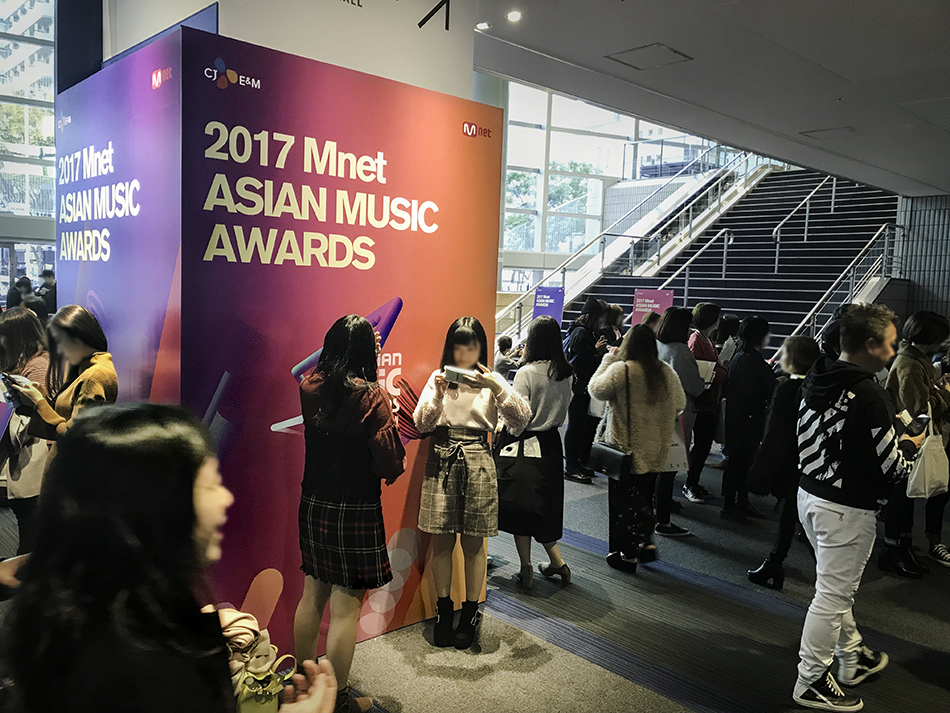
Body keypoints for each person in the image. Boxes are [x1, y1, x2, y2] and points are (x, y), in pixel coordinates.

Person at [0, 403, 338, 713]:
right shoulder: (162, 671)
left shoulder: (64, 621)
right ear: (156, 510)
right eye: (207, 487)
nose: (223, 499)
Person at [793, 303, 923, 712]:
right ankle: (810, 680)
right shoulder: (869, 395)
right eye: (889, 343)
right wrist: (911, 445)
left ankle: (852, 656)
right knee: (832, 597)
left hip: (810, 493)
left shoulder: (819, 374)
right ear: (870, 344)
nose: (893, 350)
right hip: (846, 509)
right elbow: (893, 469)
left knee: (832, 588)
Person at [293, 315, 406, 713]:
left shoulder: (310, 387)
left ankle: (304, 688)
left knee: (311, 596)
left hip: (314, 503)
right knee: (345, 609)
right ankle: (337, 700)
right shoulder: (372, 398)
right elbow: (390, 462)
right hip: (356, 507)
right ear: (363, 352)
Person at [413, 317, 530, 650]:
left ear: (480, 348)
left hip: (478, 458)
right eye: (458, 347)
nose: (464, 354)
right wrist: (437, 392)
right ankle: (443, 610)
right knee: (442, 540)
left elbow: (521, 421)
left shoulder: (492, 380)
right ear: (450, 349)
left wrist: (497, 387)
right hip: (442, 457)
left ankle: (469, 613)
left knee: (474, 544)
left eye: (471, 347)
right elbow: (421, 424)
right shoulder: (438, 379)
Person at [590, 325, 687, 572]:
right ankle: (646, 543)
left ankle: (628, 555)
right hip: (655, 449)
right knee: (645, 499)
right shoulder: (665, 371)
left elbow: (596, 390)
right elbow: (680, 404)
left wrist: (608, 359)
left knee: (623, 504)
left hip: (627, 449)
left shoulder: (622, 370)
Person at [497, 315, 574, 589]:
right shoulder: (566, 372)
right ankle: (558, 563)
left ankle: (526, 568)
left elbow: (518, 419)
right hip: (552, 444)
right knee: (545, 507)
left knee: (522, 508)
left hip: (525, 445)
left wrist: (503, 430)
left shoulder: (526, 373)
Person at [747, 336, 821, 589]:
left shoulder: (788, 390)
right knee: (795, 517)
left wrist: (761, 474)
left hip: (790, 462)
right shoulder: (821, 387)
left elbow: (775, 436)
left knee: (792, 516)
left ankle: (776, 563)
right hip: (813, 462)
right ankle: (774, 562)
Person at [879, 311, 950, 575]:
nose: (946, 343)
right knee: (901, 498)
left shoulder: (916, 361)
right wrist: (946, 394)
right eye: (942, 338)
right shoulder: (910, 364)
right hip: (908, 440)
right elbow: (918, 410)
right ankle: (893, 550)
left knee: (905, 498)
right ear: (928, 338)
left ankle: (902, 547)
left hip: (911, 438)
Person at [10, 305, 118, 453]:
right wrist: (43, 398)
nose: (59, 350)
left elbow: (76, 436)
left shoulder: (93, 376)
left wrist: (40, 402)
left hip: (73, 463)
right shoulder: (85, 367)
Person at [0, 307, 50, 554]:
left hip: (35, 457)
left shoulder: (37, 366)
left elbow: (42, 412)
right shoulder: (29, 361)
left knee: (31, 538)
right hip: (29, 454)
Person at [722, 316, 775, 523]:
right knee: (738, 463)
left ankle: (741, 502)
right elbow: (752, 390)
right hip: (744, 419)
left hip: (743, 417)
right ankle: (730, 505)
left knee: (743, 463)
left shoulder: (745, 354)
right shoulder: (746, 358)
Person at [684, 302, 727, 503]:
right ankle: (690, 484)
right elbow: (702, 372)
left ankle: (694, 481)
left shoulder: (707, 339)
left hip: (709, 400)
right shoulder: (697, 340)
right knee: (700, 445)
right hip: (700, 401)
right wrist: (722, 371)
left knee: (704, 445)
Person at [563, 296, 608, 483]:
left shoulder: (580, 331)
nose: (603, 321)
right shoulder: (582, 334)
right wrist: (598, 352)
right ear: (593, 316)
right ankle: (571, 466)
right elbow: (584, 364)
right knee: (575, 427)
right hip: (579, 387)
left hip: (580, 387)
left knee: (579, 426)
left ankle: (576, 463)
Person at [656, 307, 705, 451]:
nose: (690, 331)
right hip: (677, 413)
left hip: (656, 407)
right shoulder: (681, 352)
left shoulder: (656, 345)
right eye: (688, 326)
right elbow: (695, 388)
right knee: (675, 457)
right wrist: (703, 381)